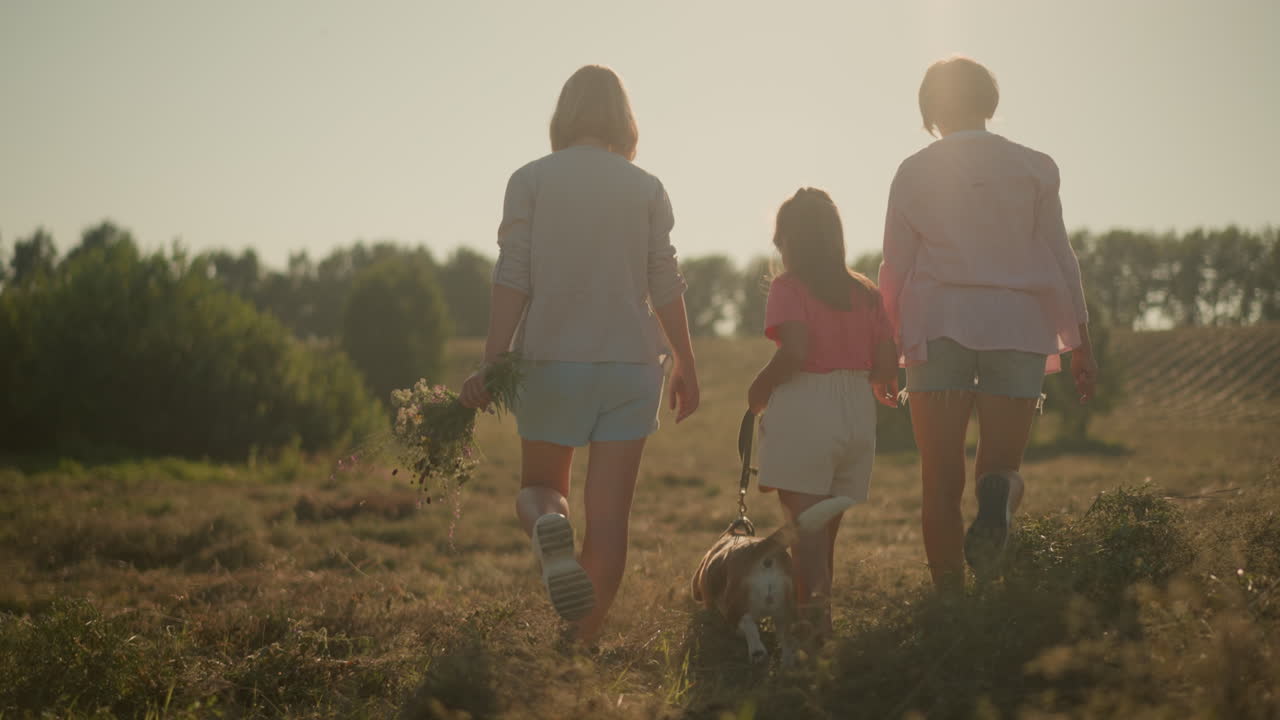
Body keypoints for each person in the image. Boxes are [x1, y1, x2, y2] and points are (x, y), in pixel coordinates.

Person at [459, 65, 700, 643]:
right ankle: (579, 642)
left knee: (541, 489)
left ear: (563, 116)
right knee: (611, 520)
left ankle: (548, 524)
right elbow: (664, 281)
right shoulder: (646, 187)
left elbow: (512, 273)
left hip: (550, 363)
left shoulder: (531, 180)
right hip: (629, 366)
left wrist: (493, 358)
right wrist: (687, 362)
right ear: (624, 119)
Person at [877, 56, 1098, 592]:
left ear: (931, 109)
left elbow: (894, 267)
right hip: (1017, 327)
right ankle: (996, 512)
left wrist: (886, 345)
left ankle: (950, 602)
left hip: (938, 324)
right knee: (999, 468)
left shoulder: (913, 171)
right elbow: (1061, 258)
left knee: (940, 481)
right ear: (988, 102)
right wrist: (1081, 343)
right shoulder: (1036, 167)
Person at [747, 188, 898, 635]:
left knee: (805, 535)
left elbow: (795, 350)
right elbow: (888, 367)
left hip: (806, 406)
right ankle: (821, 623)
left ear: (789, 241)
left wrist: (760, 386)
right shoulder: (867, 292)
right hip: (857, 413)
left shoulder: (789, 288)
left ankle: (810, 633)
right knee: (823, 532)